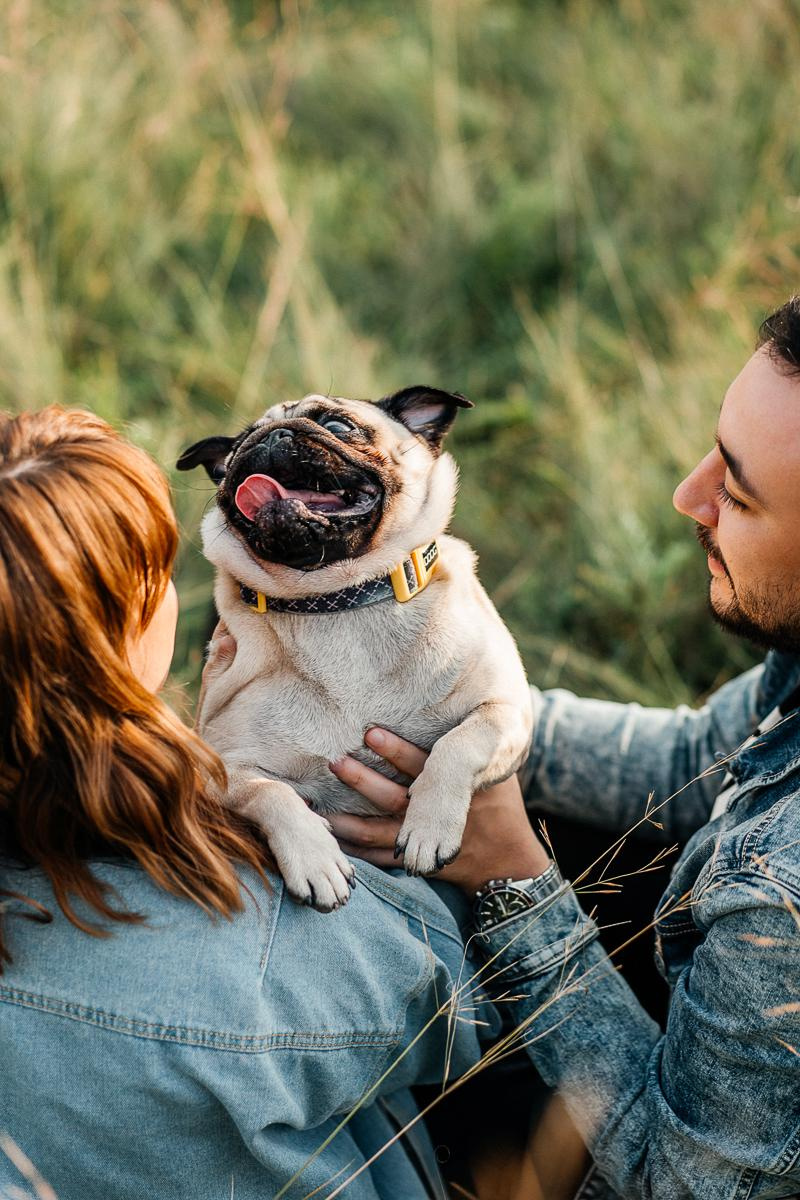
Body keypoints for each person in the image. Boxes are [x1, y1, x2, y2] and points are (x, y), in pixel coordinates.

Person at [328, 297, 800, 1199]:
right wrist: (465, 712)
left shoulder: (784, 900)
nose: (687, 496)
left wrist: (515, 881)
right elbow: (696, 757)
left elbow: (678, 1184)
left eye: (736, 492)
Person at [0, 405, 530, 1200]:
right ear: (138, 621)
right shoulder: (296, 944)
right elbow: (486, 1015)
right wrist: (517, 869)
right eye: (161, 573)